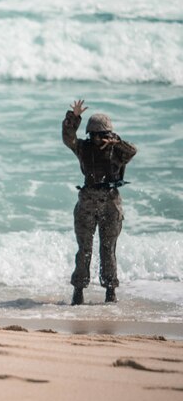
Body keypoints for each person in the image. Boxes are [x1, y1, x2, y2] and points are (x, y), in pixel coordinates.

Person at [63, 100, 137, 305]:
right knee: (84, 249)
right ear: (89, 134)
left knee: (108, 249)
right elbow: (68, 137)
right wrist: (73, 117)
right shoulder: (83, 148)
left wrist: (117, 142)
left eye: (103, 134)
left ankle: (110, 291)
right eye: (95, 135)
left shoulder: (118, 151)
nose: (98, 139)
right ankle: (78, 291)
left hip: (111, 202)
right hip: (87, 200)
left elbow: (133, 151)